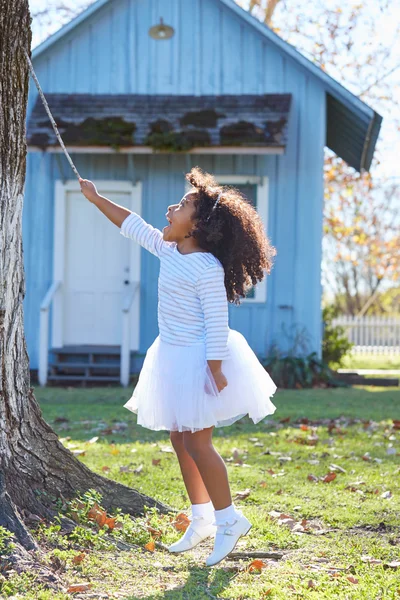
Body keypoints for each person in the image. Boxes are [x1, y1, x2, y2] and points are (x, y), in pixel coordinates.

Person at [79, 167, 277, 567]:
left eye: (183, 205)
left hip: (199, 360)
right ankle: (202, 517)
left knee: (199, 443)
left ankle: (229, 519)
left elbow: (216, 323)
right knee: (179, 439)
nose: (171, 208)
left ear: (197, 227)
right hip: (171, 355)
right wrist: (97, 199)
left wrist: (215, 368)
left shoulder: (206, 269)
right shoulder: (169, 249)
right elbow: (131, 224)